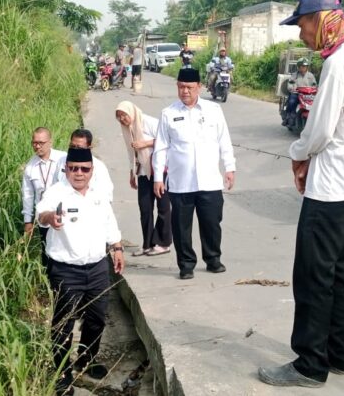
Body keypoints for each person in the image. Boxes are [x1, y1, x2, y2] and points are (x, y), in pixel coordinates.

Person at [257, 0, 344, 388]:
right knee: (338, 274)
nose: (301, 35)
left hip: (332, 189)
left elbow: (321, 129)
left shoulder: (340, 63)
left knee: (313, 275)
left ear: (321, 20)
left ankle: (310, 363)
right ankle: (337, 352)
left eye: (302, 25)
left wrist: (298, 153)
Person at [36, 147, 125, 396]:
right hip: (66, 271)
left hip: (97, 268)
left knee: (96, 319)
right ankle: (62, 375)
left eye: (84, 169)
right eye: (73, 168)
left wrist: (117, 247)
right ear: (66, 169)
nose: (78, 173)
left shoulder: (98, 195)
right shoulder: (56, 192)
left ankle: (86, 358)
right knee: (63, 324)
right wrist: (50, 218)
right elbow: (41, 213)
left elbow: (110, 224)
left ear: (91, 171)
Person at [153, 68, 236, 279]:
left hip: (209, 180)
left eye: (189, 87)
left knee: (211, 222)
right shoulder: (168, 114)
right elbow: (161, 147)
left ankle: (213, 259)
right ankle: (186, 265)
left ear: (199, 87)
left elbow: (223, 140)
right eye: (181, 87)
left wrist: (229, 167)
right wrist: (157, 178)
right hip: (181, 182)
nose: (185, 91)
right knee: (181, 227)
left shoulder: (213, 110)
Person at [115, 101, 172, 256]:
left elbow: (166, 139)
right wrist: (131, 173)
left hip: (160, 170)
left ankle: (163, 243)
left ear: (131, 112)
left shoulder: (147, 121)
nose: (122, 119)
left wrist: (144, 143)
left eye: (124, 115)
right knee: (145, 208)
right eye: (119, 117)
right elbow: (130, 152)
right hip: (142, 172)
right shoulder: (127, 129)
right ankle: (147, 243)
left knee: (163, 206)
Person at [22, 127, 66, 265]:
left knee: (65, 251)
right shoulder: (30, 167)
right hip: (44, 216)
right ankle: (50, 283)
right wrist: (28, 221)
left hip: (64, 214)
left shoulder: (63, 159)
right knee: (47, 253)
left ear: (50, 142)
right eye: (34, 143)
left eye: (41, 142)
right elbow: (28, 195)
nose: (37, 146)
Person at [56, 129, 114, 203]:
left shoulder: (99, 167)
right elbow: (55, 184)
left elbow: (107, 195)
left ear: (89, 147)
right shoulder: (61, 161)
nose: (75, 150)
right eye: (72, 146)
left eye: (79, 147)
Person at [284, 58, 318, 126]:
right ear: (298, 67)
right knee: (291, 101)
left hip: (308, 95)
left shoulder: (311, 76)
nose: (302, 68)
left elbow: (315, 85)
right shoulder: (294, 75)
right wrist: (292, 88)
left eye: (304, 66)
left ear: (307, 67)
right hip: (297, 94)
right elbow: (290, 84)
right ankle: (289, 116)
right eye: (301, 66)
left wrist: (315, 89)